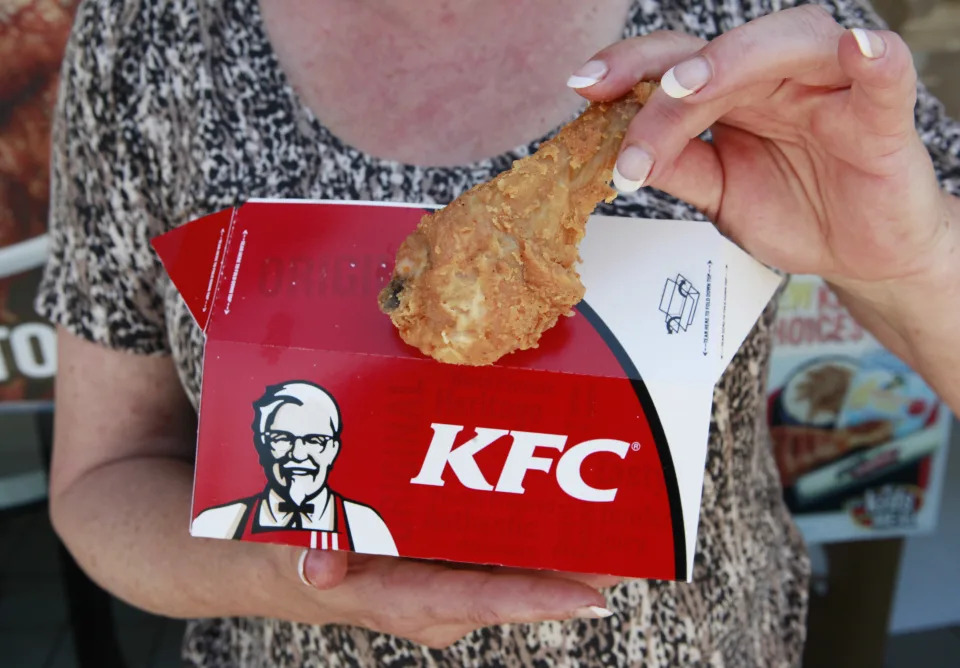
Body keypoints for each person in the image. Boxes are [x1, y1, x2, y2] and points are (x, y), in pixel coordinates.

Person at [37, 0, 960, 666]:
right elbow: (99, 482)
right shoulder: (148, 34)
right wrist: (291, 577)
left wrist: (914, 260)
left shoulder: (761, 28)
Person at [192, 381, 398, 558]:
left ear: (333, 450)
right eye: (282, 439)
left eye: (315, 441)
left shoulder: (367, 525)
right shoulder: (220, 521)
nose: (298, 454)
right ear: (262, 444)